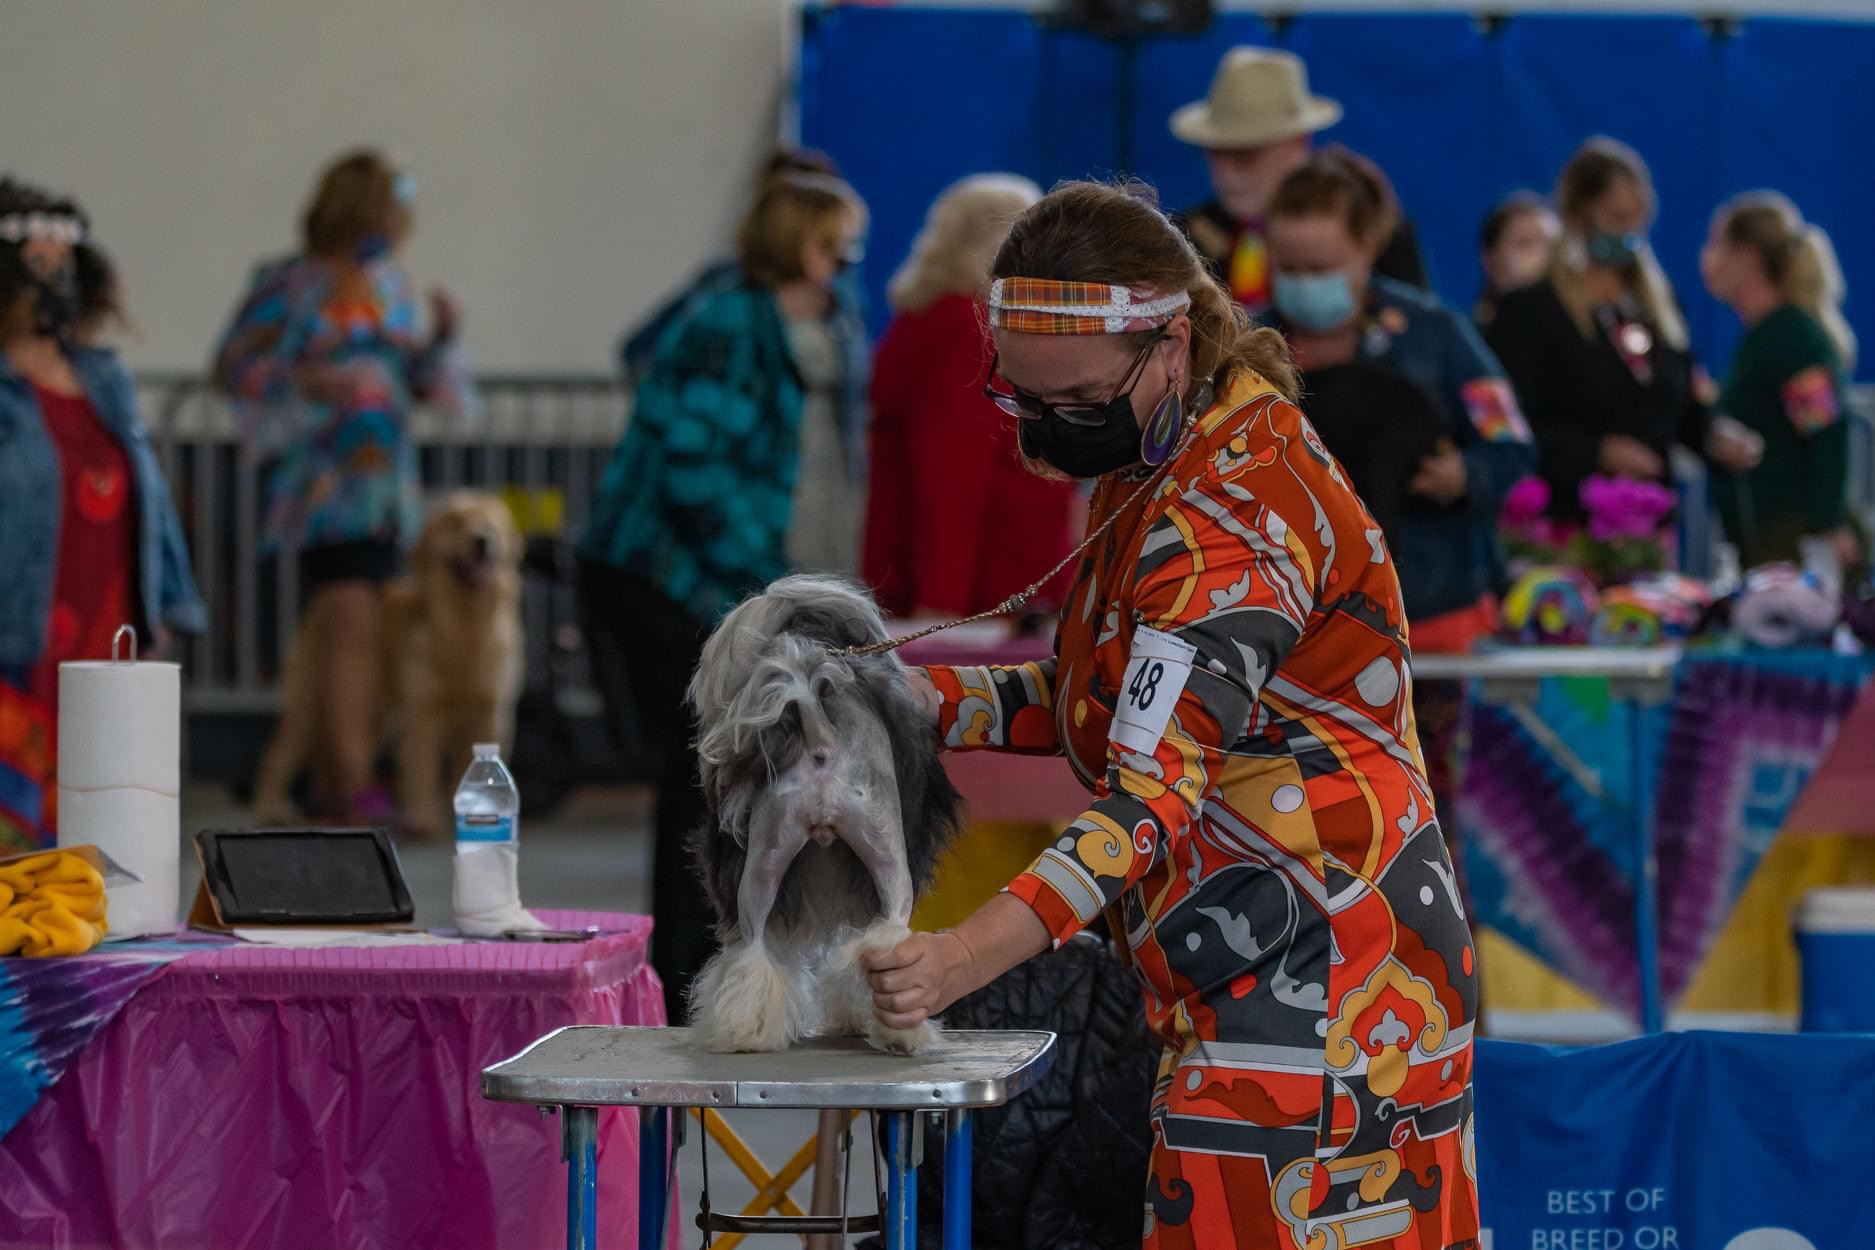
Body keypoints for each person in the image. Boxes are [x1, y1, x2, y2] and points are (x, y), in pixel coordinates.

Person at [864, 182, 1480, 1248]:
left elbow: (1148, 795)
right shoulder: (1164, 450)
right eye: (1024, 399)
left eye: (1078, 399)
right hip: (1251, 961)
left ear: (1170, 344)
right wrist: (904, 697)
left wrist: (960, 958)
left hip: (1325, 981)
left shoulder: (1234, 517)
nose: (1051, 430)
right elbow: (1100, 698)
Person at [579, 170, 868, 1020]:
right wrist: (764, 588)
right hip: (664, 573)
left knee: (719, 777)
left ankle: (713, 972)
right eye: (838, 238)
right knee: (702, 773)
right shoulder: (728, 322)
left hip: (729, 575)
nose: (849, 255)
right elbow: (691, 468)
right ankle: (683, 985)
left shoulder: (808, 321)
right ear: (805, 243)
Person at [212, 149, 471, 824]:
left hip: (386, 483)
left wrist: (441, 340)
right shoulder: (291, 285)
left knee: (364, 628)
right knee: (349, 622)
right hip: (325, 483)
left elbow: (414, 378)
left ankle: (340, 773)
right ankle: (350, 780)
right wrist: (305, 379)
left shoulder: (392, 284)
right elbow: (233, 364)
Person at [0, 177, 204, 852]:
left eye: (63, 266)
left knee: (98, 798)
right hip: (18, 618)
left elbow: (149, 492)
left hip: (102, 610)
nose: (51, 284)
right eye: (36, 266)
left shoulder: (103, 377)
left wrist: (163, 598)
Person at [1263, 148, 1535, 653]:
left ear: (1366, 246)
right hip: (1285, 618)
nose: (1303, 282)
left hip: (1432, 611)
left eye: (1320, 267)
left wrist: (1464, 476)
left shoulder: (1438, 333)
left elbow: (1511, 443)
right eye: (1288, 268)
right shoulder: (1246, 342)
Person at [1486, 137, 1761, 523]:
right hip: (1563, 524)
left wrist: (1716, 434)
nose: (1629, 234)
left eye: (1638, 221)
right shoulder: (1533, 309)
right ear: (1577, 217)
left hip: (1647, 525)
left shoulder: (1659, 307)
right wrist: (1597, 452)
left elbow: (1686, 403)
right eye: (1616, 219)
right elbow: (1510, 424)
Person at [863, 172, 1078, 619]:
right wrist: (940, 607)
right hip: (984, 597)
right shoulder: (968, 327)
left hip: (976, 588)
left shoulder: (927, 317)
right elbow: (950, 477)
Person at [1170, 46, 1428, 319]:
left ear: (1298, 142)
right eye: (1214, 151)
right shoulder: (1186, 235)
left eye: (1245, 152)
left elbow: (1414, 329)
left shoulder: (1376, 228)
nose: (1226, 170)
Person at [1701, 192, 1858, 570]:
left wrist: (1828, 525)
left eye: (1716, 243)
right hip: (1766, 541)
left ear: (1748, 256)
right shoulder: (1762, 334)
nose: (1706, 256)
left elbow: (1826, 429)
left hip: (1793, 545)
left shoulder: (1790, 335)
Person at [1474, 190, 1560, 329]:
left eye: (1552, 246)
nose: (1542, 256)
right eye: (1525, 243)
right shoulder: (1466, 336)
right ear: (1489, 259)